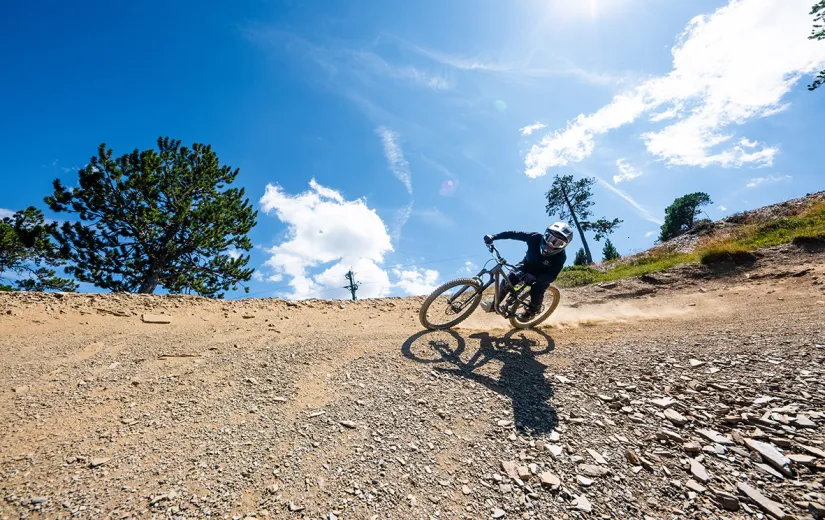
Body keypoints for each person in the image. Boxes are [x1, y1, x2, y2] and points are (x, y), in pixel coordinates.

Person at [483, 222, 573, 320]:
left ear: (564, 246)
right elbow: (513, 234)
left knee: (537, 290)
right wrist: (494, 236)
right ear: (545, 234)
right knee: (507, 281)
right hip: (526, 266)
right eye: (550, 238)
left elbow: (552, 276)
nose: (551, 244)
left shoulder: (560, 257)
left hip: (541, 276)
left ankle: (532, 311)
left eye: (558, 243)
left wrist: (536, 278)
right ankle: (494, 304)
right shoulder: (535, 237)